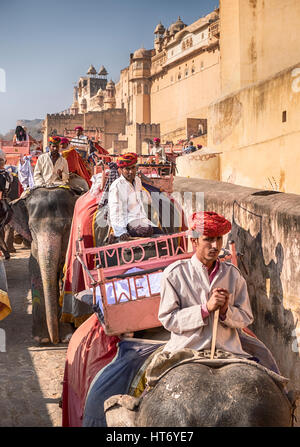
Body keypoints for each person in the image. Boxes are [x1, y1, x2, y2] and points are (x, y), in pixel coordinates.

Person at [158, 211, 254, 357]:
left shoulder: (233, 274)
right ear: (194, 241)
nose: (215, 246)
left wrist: (225, 311)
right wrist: (204, 309)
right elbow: (169, 319)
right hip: (186, 350)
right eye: (208, 239)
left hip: (229, 351)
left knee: (268, 365)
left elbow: (246, 317)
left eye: (219, 239)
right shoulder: (174, 274)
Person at [108, 152, 163, 241]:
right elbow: (115, 210)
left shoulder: (137, 180)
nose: (131, 171)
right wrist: (121, 232)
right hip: (127, 222)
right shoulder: (116, 186)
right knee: (146, 230)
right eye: (127, 169)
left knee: (163, 236)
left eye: (133, 168)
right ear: (121, 170)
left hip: (142, 219)